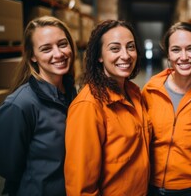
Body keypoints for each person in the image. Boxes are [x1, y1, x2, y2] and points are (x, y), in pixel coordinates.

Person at [0, 16, 77, 196]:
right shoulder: (20, 105)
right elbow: (8, 168)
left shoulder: (72, 94)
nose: (59, 54)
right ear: (32, 57)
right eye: (46, 49)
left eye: (62, 44)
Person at [64, 19, 150, 196]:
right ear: (99, 56)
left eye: (130, 47)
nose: (125, 55)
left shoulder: (134, 93)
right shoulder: (89, 105)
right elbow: (81, 184)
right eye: (115, 48)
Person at [142, 22, 191, 196]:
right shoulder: (151, 90)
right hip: (150, 187)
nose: (184, 57)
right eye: (176, 50)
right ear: (168, 55)